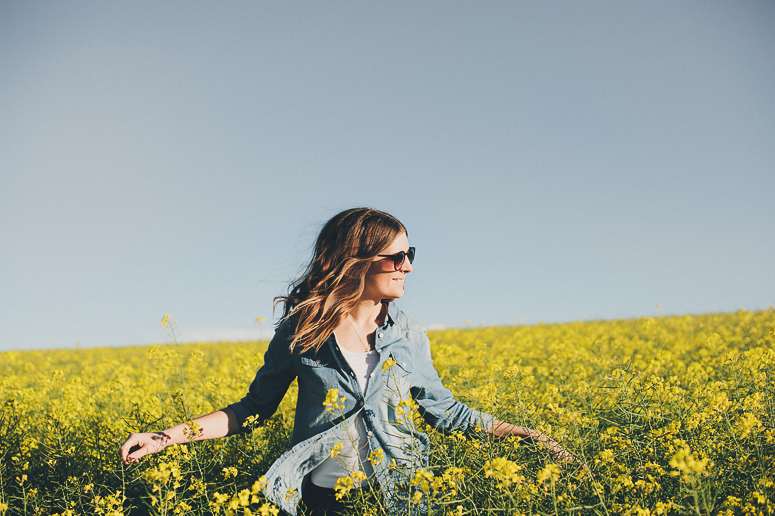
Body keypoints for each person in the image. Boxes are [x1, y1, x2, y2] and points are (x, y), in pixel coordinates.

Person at [120, 207, 583, 515]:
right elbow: (254, 409)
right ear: (354, 260)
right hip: (323, 501)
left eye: (411, 255)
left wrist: (528, 435)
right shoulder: (302, 332)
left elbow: (448, 412)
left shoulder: (408, 336)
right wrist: (166, 438)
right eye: (396, 257)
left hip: (399, 495)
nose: (408, 267)